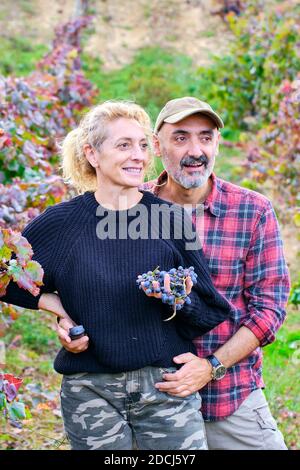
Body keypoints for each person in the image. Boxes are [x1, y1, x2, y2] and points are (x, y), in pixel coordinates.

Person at [58, 97, 290, 450]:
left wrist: (211, 366)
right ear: (155, 145)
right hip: (147, 399)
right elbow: (85, 282)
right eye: (180, 137)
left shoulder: (252, 211)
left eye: (206, 137)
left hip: (227, 394)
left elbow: (270, 310)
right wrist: (64, 320)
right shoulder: (125, 203)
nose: (195, 150)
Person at [1, 100, 232, 450]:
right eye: (123, 145)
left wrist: (176, 297)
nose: (137, 155)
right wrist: (56, 306)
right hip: (91, 390)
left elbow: (208, 309)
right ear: (92, 154)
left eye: (142, 145)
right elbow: (6, 275)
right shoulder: (63, 223)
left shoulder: (171, 220)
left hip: (165, 386)